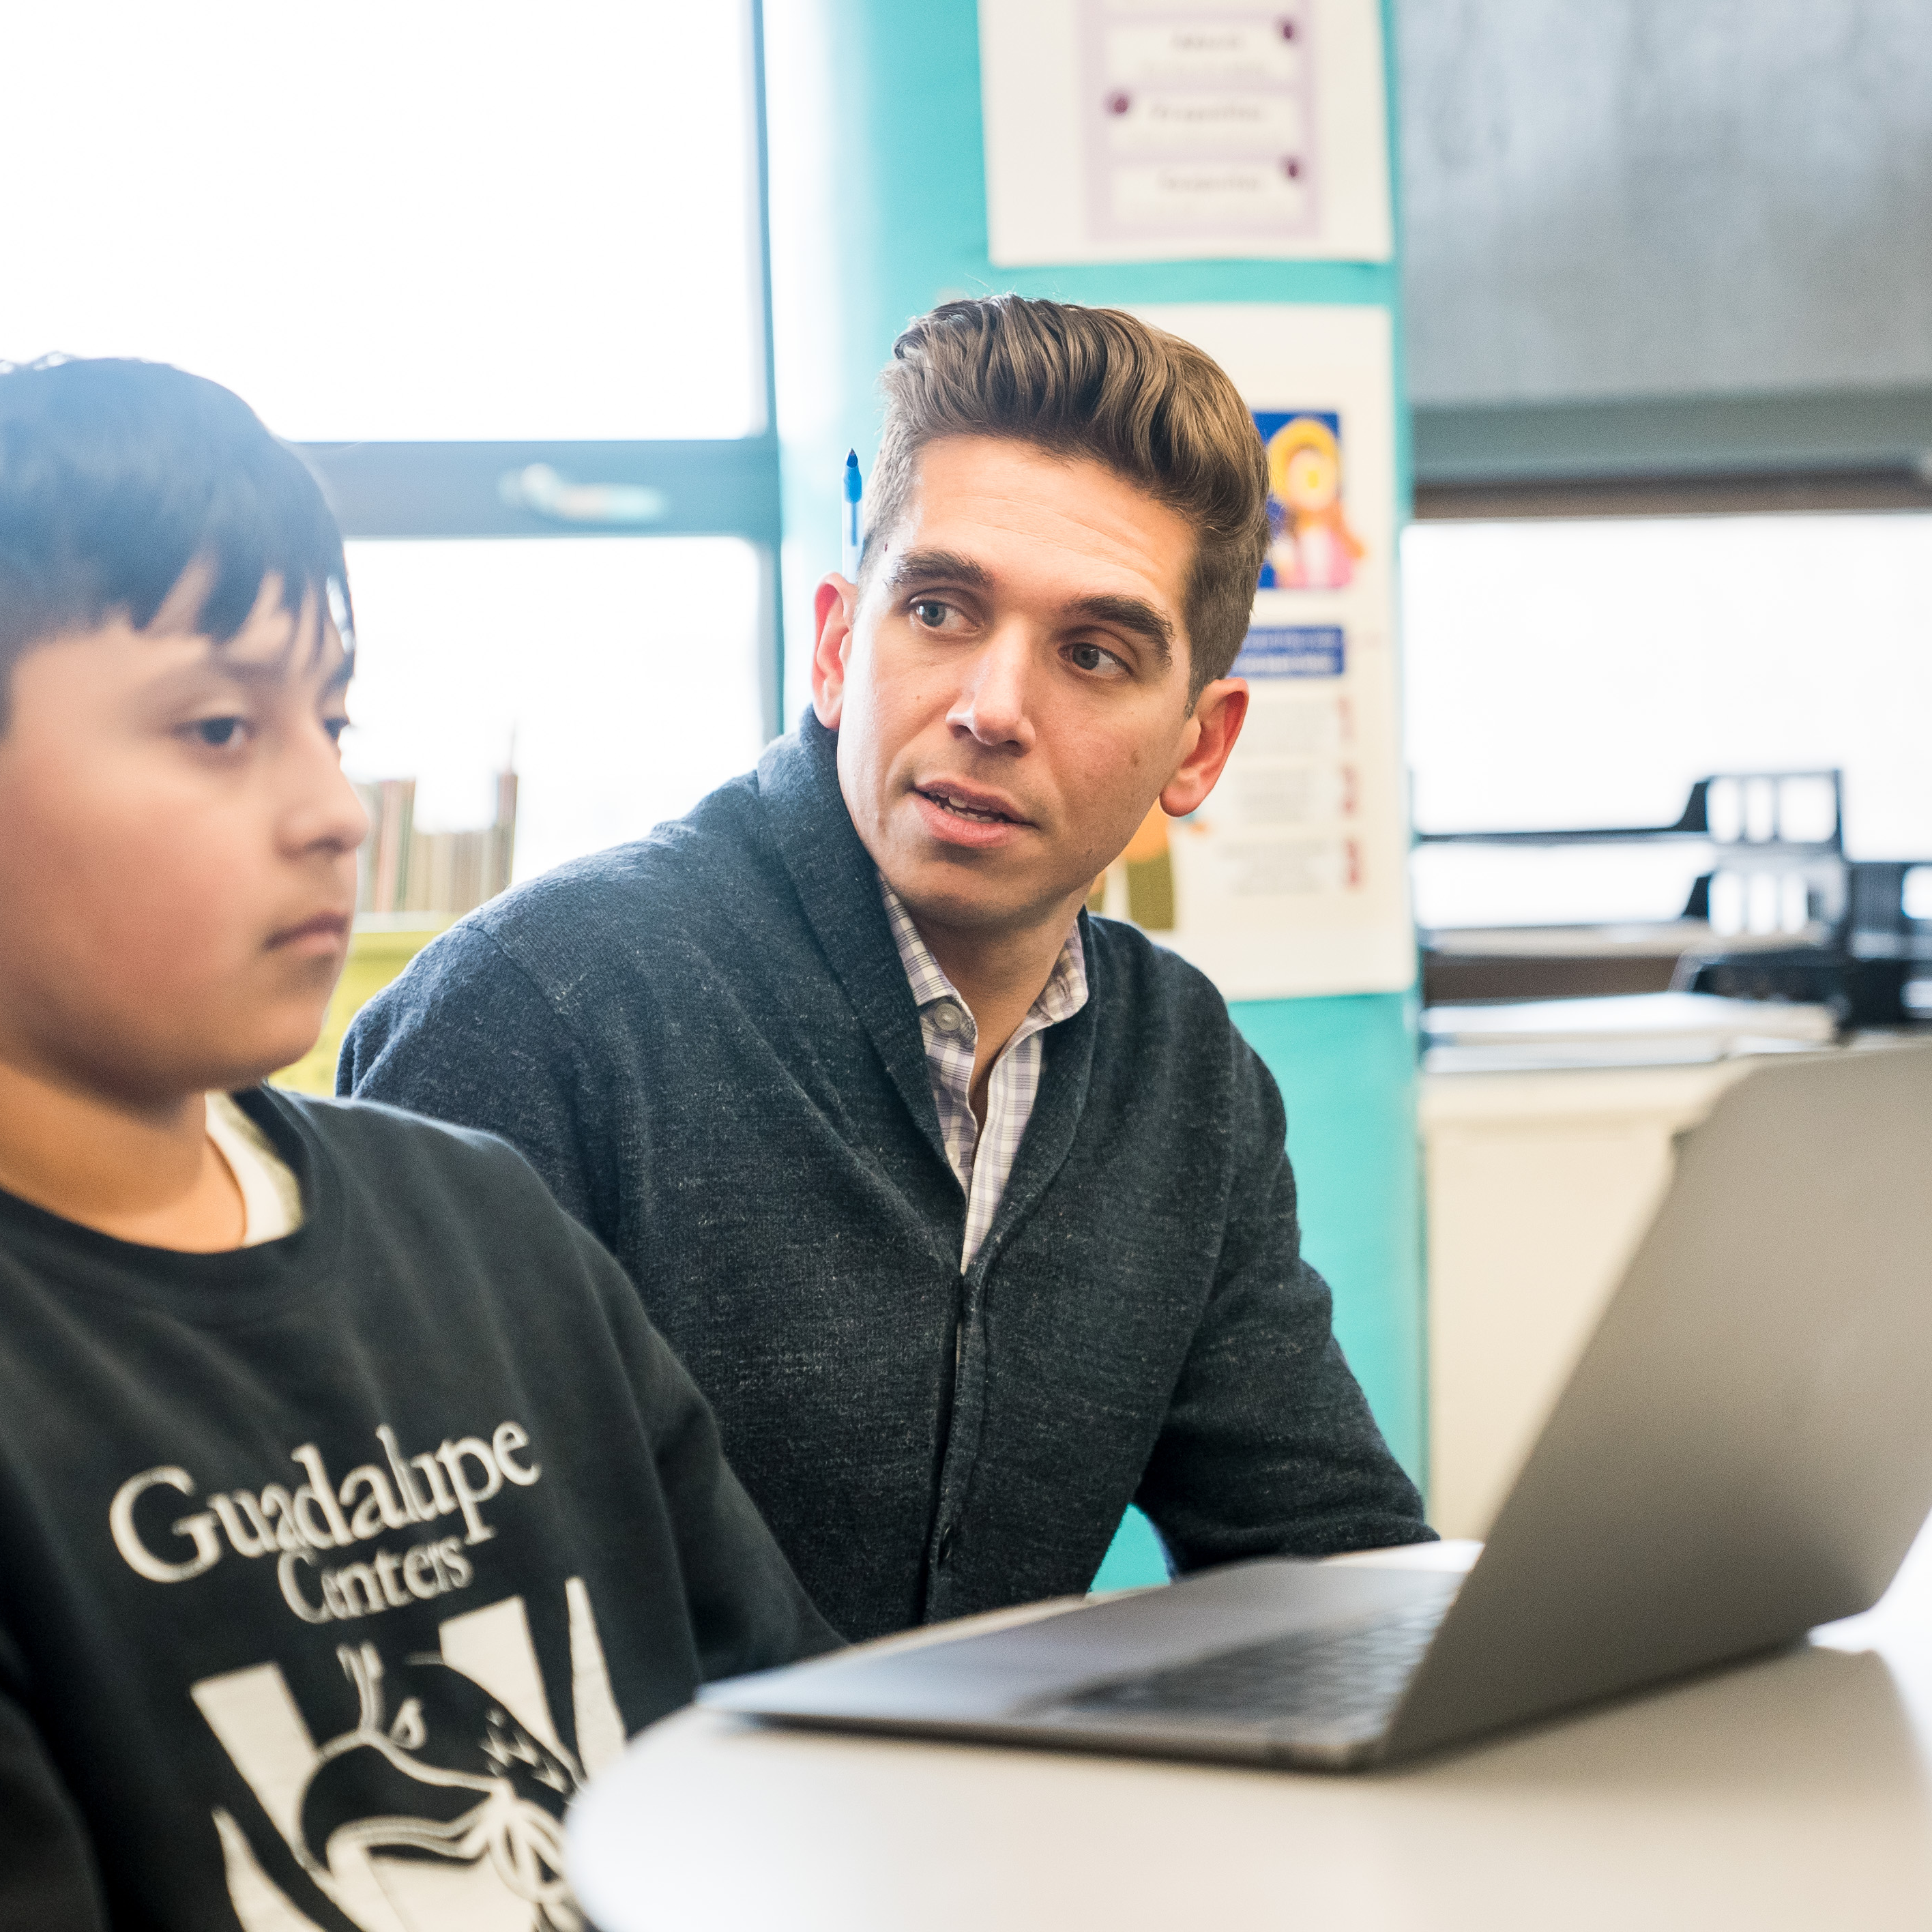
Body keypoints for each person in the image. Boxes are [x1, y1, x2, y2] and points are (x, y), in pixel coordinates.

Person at [345, 296, 1433, 1646]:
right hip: (637, 1849)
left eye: (1093, 653)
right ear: (836, 644)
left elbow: (1324, 1554)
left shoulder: (1184, 1075)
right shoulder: (539, 1012)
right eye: (937, 607)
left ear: (1201, 748)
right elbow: (415, 1639)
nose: (990, 705)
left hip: (985, 1835)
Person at [0, 357, 836, 1932]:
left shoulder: (490, 1232)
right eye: (218, 726)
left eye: (332, 719)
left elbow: (792, 1750)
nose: (333, 808)